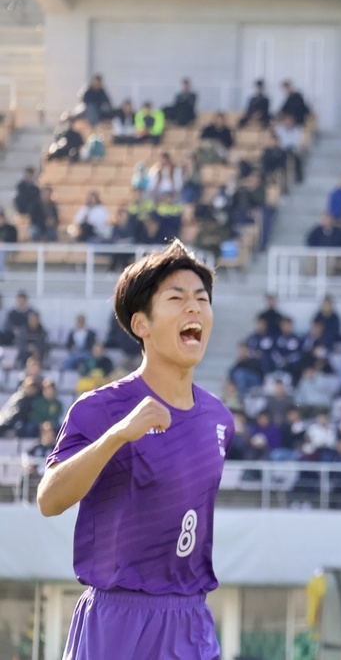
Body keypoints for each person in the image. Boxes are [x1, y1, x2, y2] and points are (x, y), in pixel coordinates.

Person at [37, 240, 233, 660]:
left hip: (191, 619)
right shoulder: (99, 409)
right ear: (140, 324)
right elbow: (49, 499)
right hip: (117, 619)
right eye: (177, 298)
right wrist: (118, 435)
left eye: (202, 299)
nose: (194, 309)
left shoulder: (219, 419)